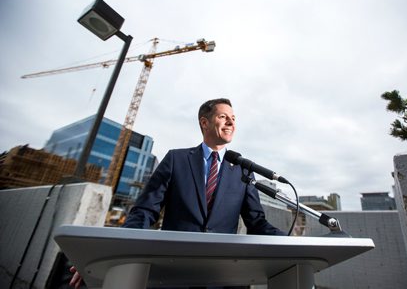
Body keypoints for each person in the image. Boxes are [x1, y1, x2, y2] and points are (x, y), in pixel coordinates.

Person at [70, 98, 284, 288]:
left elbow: (257, 222)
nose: (231, 122)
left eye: (234, 118)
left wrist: (290, 242)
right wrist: (109, 254)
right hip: (172, 273)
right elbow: (144, 212)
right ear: (204, 122)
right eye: (223, 116)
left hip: (222, 276)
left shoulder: (243, 170)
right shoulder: (175, 160)